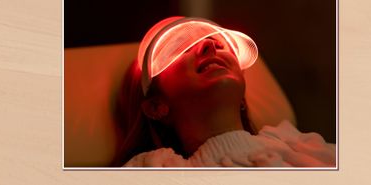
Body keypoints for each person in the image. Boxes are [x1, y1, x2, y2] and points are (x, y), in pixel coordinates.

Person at [112, 16, 336, 167]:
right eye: (181, 46)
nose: (209, 45)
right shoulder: (160, 169)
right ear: (156, 106)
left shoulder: (295, 142)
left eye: (218, 41)